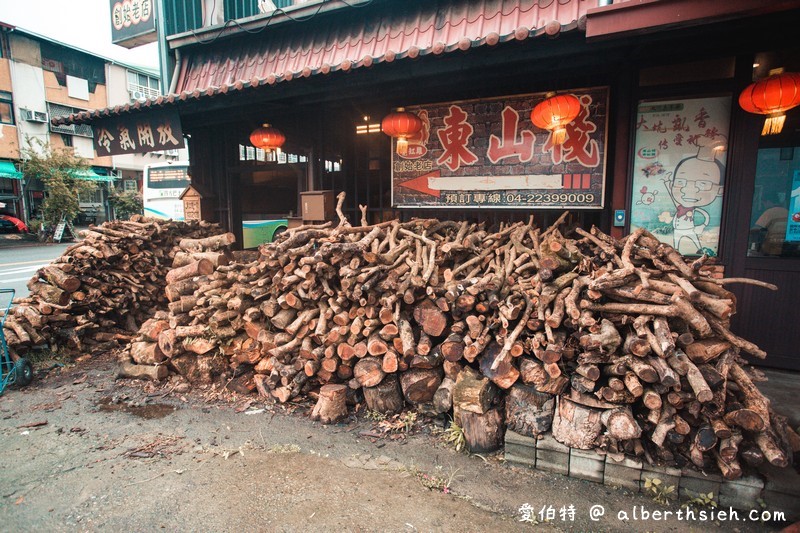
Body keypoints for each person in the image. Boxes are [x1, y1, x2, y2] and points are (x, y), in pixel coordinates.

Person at [660, 141, 725, 254]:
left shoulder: (693, 209)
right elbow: (671, 195)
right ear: (672, 184)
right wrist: (666, 183)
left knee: (696, 243)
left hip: (690, 229)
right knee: (676, 247)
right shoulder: (680, 207)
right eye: (681, 182)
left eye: (703, 184)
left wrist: (702, 226)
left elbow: (705, 216)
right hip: (678, 230)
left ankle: (701, 253)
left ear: (720, 190)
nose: (688, 190)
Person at [751, 191, 788, 255]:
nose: (764, 206)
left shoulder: (769, 212)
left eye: (763, 204)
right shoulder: (787, 212)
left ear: (768, 201)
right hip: (784, 248)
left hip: (770, 248)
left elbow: (756, 229)